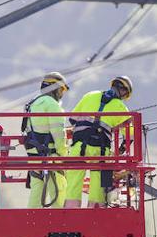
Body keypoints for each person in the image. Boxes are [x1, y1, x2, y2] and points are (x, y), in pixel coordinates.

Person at [63, 75, 134, 208]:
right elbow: (130, 135)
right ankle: (95, 212)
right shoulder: (120, 107)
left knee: (73, 181)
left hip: (78, 147)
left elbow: (72, 119)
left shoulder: (90, 95)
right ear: (124, 91)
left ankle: (70, 213)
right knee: (98, 183)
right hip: (100, 151)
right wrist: (122, 149)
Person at [22, 71, 70, 208]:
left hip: (34, 154)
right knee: (58, 189)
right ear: (55, 88)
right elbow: (59, 135)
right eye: (61, 90)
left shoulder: (33, 103)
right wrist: (63, 155)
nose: (62, 94)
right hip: (50, 155)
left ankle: (32, 220)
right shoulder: (52, 105)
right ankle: (60, 223)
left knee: (37, 188)